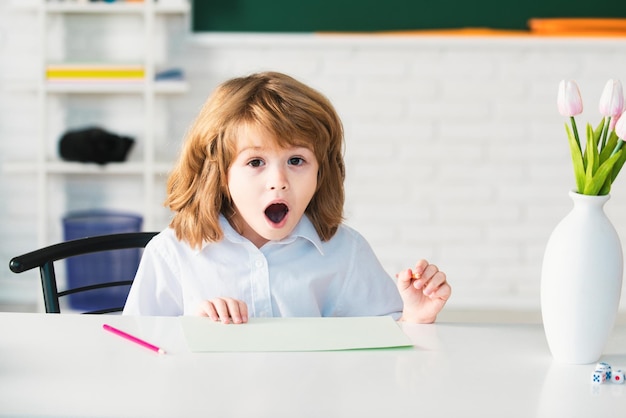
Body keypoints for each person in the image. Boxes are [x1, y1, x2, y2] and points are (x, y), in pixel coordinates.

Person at [123, 71, 451, 324]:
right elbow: (137, 351)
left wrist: (414, 320)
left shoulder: (346, 252)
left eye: (296, 161)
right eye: (255, 162)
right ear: (220, 174)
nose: (278, 182)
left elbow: (388, 353)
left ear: (321, 173)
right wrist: (191, 331)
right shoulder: (173, 254)